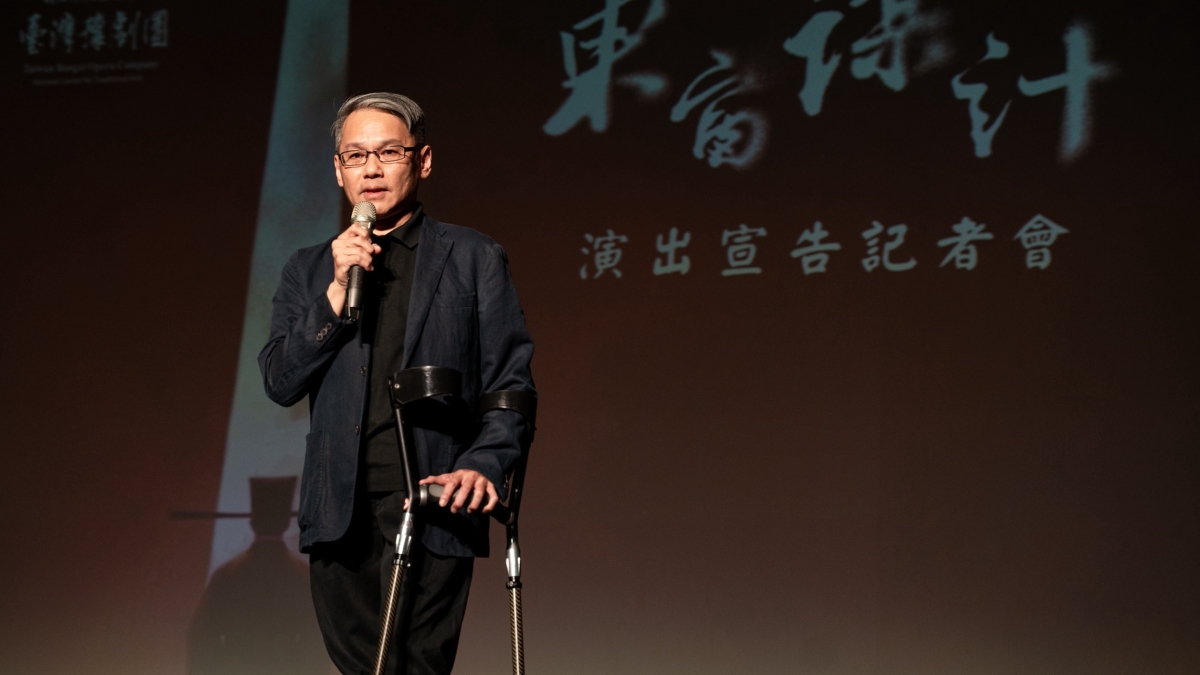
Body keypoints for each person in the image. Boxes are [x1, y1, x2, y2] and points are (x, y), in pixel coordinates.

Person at [258, 92, 536, 675]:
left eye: (389, 152)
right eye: (355, 156)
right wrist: (336, 292)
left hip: (432, 497)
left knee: (411, 666)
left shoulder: (473, 257)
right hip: (338, 512)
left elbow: (510, 384)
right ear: (338, 169)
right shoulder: (310, 269)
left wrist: (484, 464)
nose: (372, 169)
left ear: (423, 160)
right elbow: (280, 380)